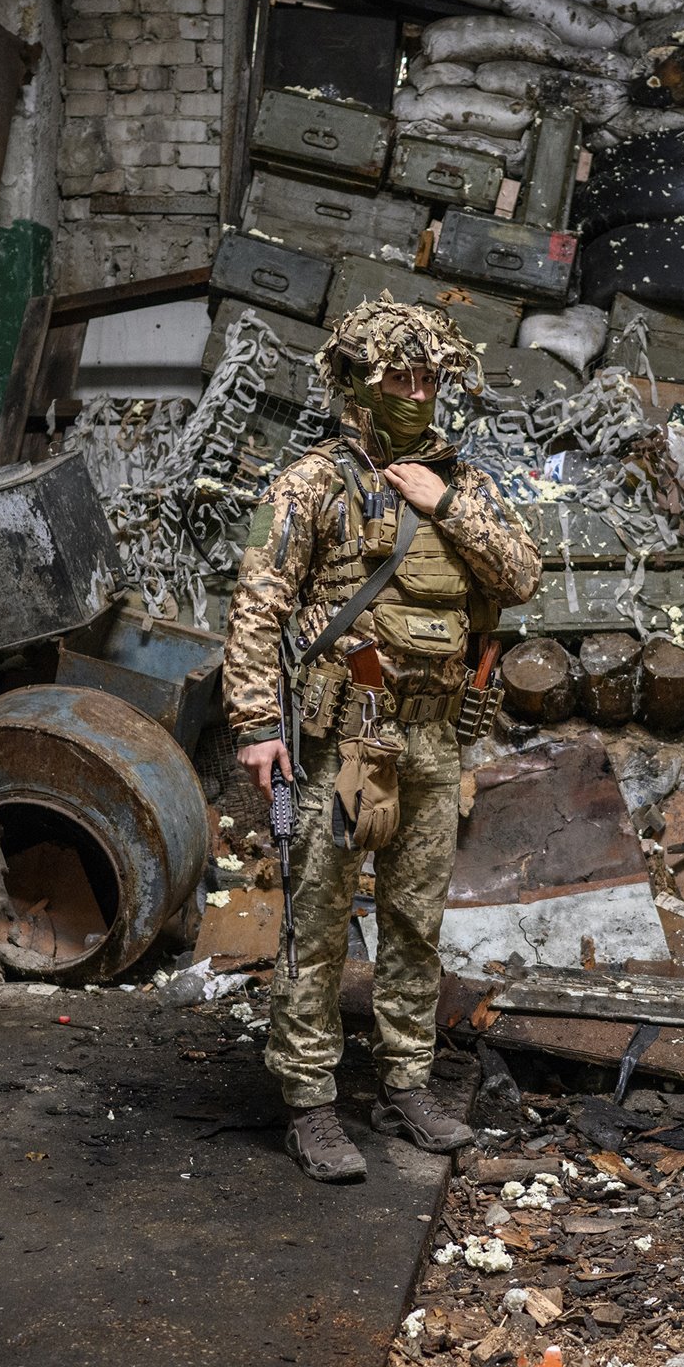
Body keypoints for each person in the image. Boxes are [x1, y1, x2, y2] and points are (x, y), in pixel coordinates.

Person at [222, 296, 541, 1182]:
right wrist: (255, 724)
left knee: (415, 923)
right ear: (358, 383)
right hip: (342, 743)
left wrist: (445, 506)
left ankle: (406, 1082)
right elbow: (258, 607)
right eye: (400, 377)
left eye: (431, 377)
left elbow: (520, 574)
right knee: (316, 928)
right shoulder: (312, 483)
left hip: (436, 741)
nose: (418, 392)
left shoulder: (460, 481)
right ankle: (310, 1102)